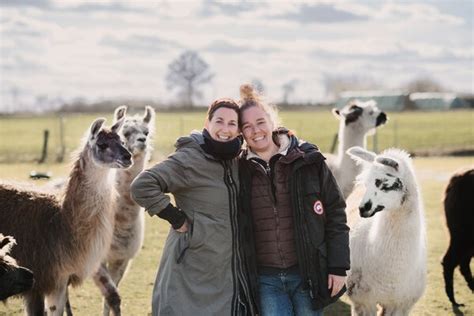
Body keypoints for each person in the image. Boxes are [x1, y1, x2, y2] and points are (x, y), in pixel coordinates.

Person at [130, 98, 254, 315]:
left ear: (239, 129)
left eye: (232, 123)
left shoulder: (239, 160)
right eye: (219, 121)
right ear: (208, 123)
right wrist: (174, 216)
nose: (225, 129)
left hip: (226, 270)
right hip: (191, 267)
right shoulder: (189, 159)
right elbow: (142, 185)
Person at [237, 84, 350, 316]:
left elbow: (335, 212)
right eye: (246, 126)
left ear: (271, 121)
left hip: (306, 274)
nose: (255, 131)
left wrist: (338, 267)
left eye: (260, 122)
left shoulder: (308, 161)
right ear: (241, 133)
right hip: (265, 279)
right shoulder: (238, 170)